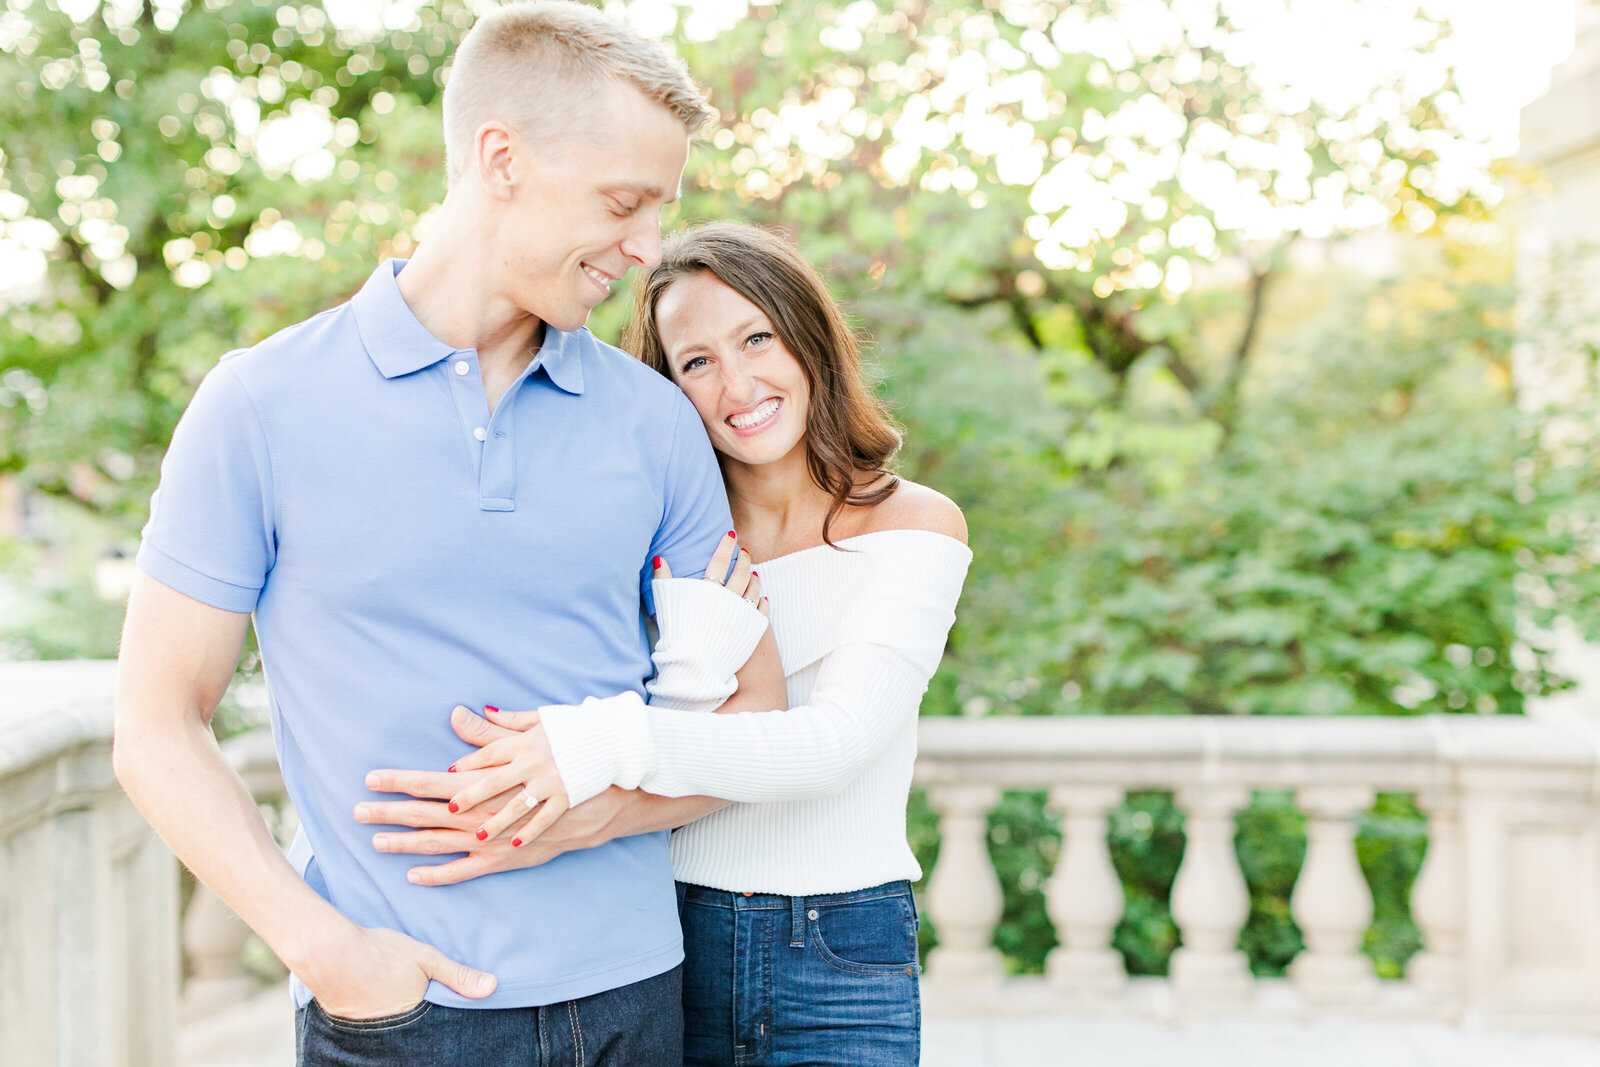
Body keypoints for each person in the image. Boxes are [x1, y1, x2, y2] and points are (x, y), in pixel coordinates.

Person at [111, 4, 784, 1066]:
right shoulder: (261, 405)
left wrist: (595, 808)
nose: (648, 247)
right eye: (623, 202)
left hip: (636, 999)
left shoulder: (655, 421)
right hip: (392, 1012)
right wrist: (328, 951)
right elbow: (155, 723)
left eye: (661, 209)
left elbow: (756, 721)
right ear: (499, 157)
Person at [375, 221, 971, 1066]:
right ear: (666, 387)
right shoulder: (659, 537)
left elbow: (830, 745)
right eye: (696, 362)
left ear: (809, 339)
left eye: (756, 338)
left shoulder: (914, 525)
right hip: (666, 935)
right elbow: (681, 722)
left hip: (838, 952)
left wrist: (599, 739)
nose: (736, 384)